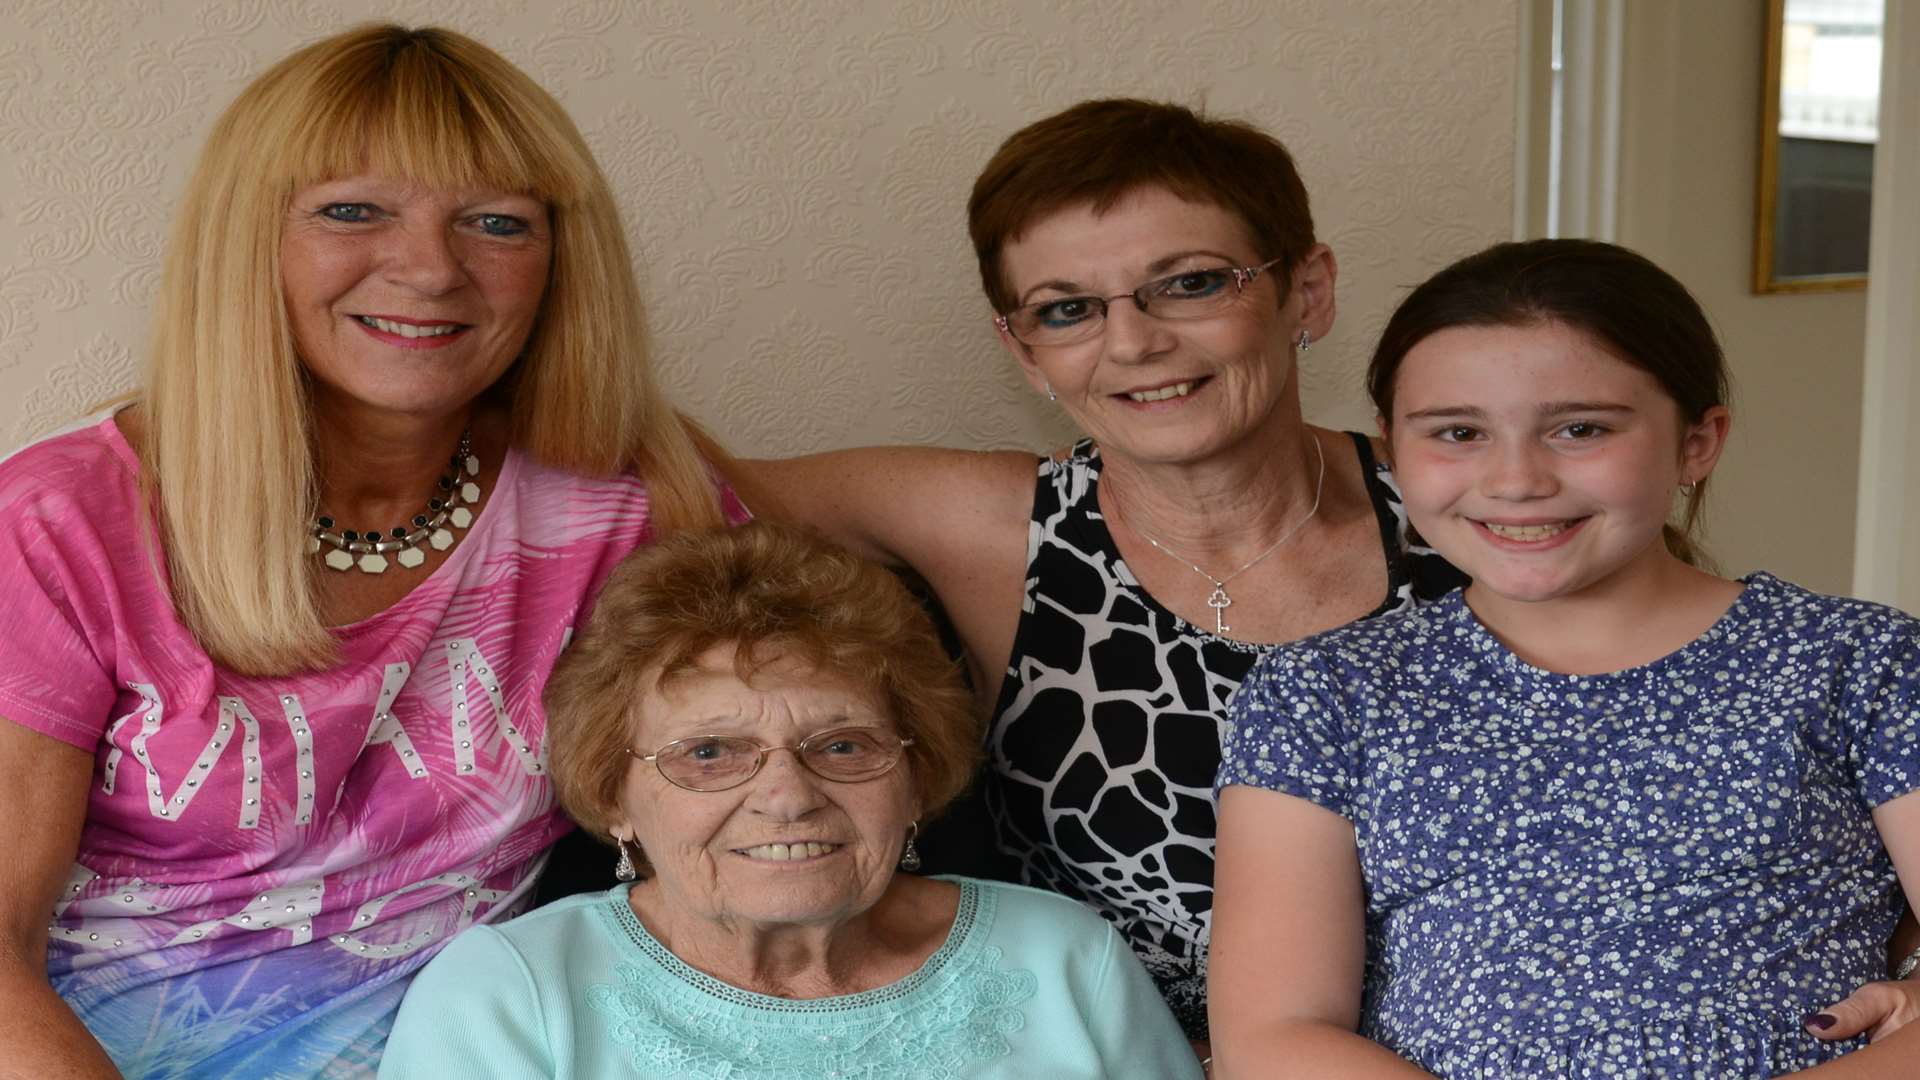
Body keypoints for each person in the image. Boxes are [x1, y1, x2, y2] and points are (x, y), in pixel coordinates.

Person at [0, 25, 737, 1079]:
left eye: (496, 222)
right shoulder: (59, 524)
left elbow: (864, 557)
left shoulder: (619, 502)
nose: (432, 269)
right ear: (248, 241)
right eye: (352, 211)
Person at [728, 98, 1464, 1047]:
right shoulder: (1003, 530)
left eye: (1193, 283)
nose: (1133, 343)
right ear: (1021, 350)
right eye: (1067, 310)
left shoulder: (1469, 511)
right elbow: (655, 479)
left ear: (1307, 292)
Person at [1209, 238, 1920, 1077]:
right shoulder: (1324, 692)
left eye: (1580, 429)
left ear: (1698, 442)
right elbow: (1272, 1036)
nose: (1516, 480)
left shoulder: (1861, 662)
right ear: (1392, 450)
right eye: (1459, 432)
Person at [378, 522, 1202, 1078]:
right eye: (709, 754)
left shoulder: (1064, 961)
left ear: (916, 778)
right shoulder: (510, 993)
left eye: (842, 746)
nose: (786, 797)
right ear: (614, 795)